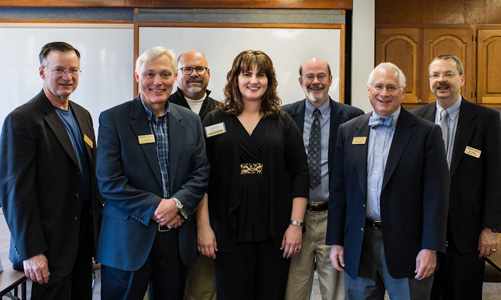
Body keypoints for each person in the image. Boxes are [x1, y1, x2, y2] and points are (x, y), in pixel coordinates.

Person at [326, 62, 450, 299]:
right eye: (379, 87)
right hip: (359, 245)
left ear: (403, 92)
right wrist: (336, 242)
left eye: (392, 87)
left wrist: (430, 247)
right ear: (369, 90)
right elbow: (339, 191)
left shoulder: (426, 133)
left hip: (409, 247)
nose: (384, 93)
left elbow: (437, 197)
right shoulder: (348, 131)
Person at [95, 46, 210, 300]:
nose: (157, 82)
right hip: (128, 240)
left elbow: (201, 172)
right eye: (149, 74)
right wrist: (160, 207)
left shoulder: (190, 121)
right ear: (138, 77)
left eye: (165, 74)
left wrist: (178, 203)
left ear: (174, 78)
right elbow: (109, 182)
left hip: (176, 239)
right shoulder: (113, 119)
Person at [199, 50, 309, 300]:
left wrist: (296, 225)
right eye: (246, 73)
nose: (254, 80)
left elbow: (301, 174)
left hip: (275, 233)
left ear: (269, 80)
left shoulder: (282, 121)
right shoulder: (215, 119)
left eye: (261, 74)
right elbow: (201, 176)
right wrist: (203, 226)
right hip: (227, 231)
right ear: (235, 78)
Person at [0, 41, 100, 300]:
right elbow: (15, 193)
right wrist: (31, 251)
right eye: (59, 70)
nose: (67, 77)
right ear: (42, 72)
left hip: (80, 238)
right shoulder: (22, 119)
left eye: (74, 70)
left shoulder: (82, 115)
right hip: (47, 244)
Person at [412, 54, 501, 300]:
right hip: (423, 232)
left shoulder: (487, 119)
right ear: (429, 80)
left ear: (461, 78)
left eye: (448, 74)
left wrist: (491, 228)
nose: (442, 80)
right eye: (436, 75)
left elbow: (496, 176)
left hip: (468, 234)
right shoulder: (415, 118)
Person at [282, 57, 363, 300]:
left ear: (330, 80)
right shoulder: (284, 116)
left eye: (321, 76)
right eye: (310, 76)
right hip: (297, 217)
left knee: (336, 292)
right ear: (300, 81)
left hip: (334, 214)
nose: (315, 82)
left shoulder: (352, 117)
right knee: (294, 291)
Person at [169, 49, 219, 300]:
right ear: (177, 75)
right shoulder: (162, 107)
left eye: (199, 69)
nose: (194, 75)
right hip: (171, 213)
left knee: (203, 287)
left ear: (208, 73)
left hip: (211, 213)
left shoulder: (224, 112)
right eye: (187, 69)